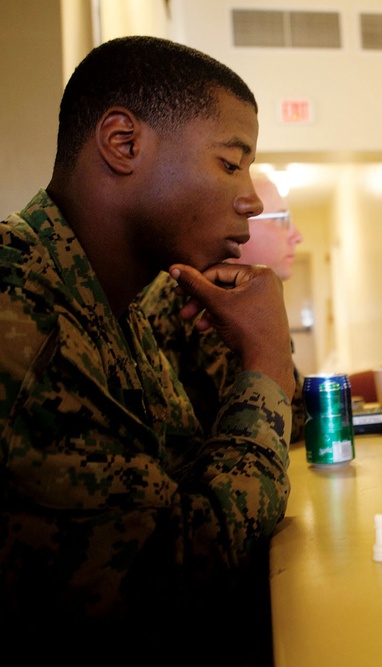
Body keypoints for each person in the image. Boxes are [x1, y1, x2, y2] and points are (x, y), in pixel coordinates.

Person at [0, 36, 295, 661]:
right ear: (123, 144)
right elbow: (180, 572)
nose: (255, 200)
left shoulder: (113, 306)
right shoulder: (20, 308)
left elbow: (184, 486)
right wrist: (265, 363)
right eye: (230, 163)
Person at [141, 172, 306, 441]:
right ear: (238, 225)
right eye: (282, 220)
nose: (296, 236)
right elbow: (271, 421)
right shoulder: (212, 291)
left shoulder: (205, 281)